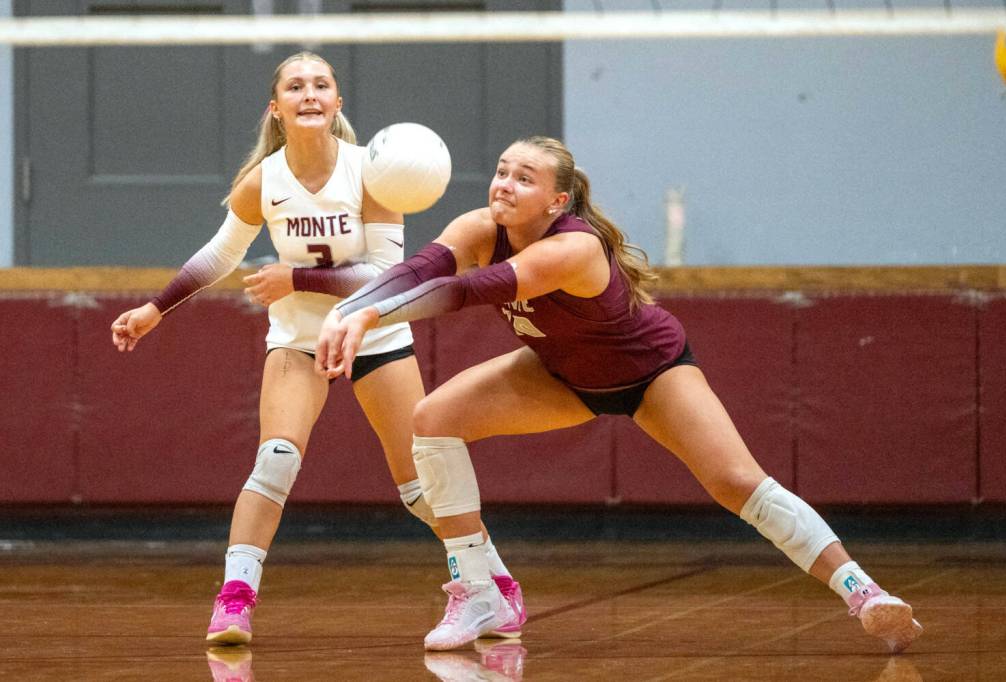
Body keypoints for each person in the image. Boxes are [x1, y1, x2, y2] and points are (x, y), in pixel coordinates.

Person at [314, 136, 925, 653]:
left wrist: (368, 319)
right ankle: (480, 593)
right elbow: (420, 269)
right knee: (433, 418)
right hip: (560, 374)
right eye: (501, 171)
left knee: (736, 481)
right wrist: (353, 307)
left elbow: (467, 291)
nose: (503, 184)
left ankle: (864, 592)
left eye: (523, 179)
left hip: (651, 374)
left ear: (557, 200)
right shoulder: (480, 226)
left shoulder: (573, 247)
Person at [109, 51, 524, 646]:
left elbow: (387, 275)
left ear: (337, 105)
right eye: (296, 86)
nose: (310, 93)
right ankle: (234, 602)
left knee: (418, 489)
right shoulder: (264, 180)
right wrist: (154, 309)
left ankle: (496, 581)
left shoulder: (372, 173)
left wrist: (295, 279)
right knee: (275, 459)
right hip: (300, 341)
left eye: (321, 85)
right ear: (275, 109)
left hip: (372, 334)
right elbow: (219, 256)